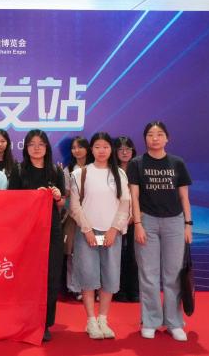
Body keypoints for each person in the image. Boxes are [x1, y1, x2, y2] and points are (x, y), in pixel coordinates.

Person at [127, 121, 193, 342]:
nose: (155, 138)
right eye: (150, 134)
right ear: (145, 138)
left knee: (173, 274)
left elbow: (184, 197)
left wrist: (188, 224)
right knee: (149, 275)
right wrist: (138, 224)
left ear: (167, 138)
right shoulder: (137, 163)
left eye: (160, 134)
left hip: (175, 222)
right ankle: (150, 321)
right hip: (147, 221)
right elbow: (134, 196)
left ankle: (174, 322)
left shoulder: (177, 163)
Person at [69, 132, 130, 340]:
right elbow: (75, 206)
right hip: (87, 233)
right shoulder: (80, 174)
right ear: (91, 149)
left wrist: (114, 229)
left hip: (112, 233)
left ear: (111, 149)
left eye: (105, 147)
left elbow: (125, 204)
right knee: (88, 277)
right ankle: (91, 321)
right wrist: (87, 230)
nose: (101, 151)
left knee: (110, 277)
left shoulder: (119, 174)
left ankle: (103, 319)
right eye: (97, 147)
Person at [18, 129, 64, 342]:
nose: (36, 148)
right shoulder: (19, 171)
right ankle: (26, 320)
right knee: (27, 276)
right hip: (26, 231)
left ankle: (45, 323)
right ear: (26, 148)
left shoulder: (55, 171)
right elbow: (11, 201)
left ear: (47, 147)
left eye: (40, 144)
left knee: (50, 276)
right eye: (32, 144)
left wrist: (58, 197)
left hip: (51, 230)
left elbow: (62, 203)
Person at [62, 136, 93, 300]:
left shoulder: (96, 167)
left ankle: (93, 287)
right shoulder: (68, 170)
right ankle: (74, 287)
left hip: (94, 216)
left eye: (80, 147)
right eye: (74, 148)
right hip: (73, 217)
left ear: (87, 149)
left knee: (93, 252)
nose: (77, 150)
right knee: (72, 253)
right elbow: (66, 194)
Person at [113, 136, 139, 303]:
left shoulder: (138, 168)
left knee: (134, 256)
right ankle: (119, 290)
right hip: (115, 220)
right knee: (117, 256)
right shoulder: (111, 171)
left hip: (136, 220)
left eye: (128, 149)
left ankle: (134, 290)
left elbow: (143, 196)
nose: (124, 152)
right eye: (121, 149)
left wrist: (135, 215)